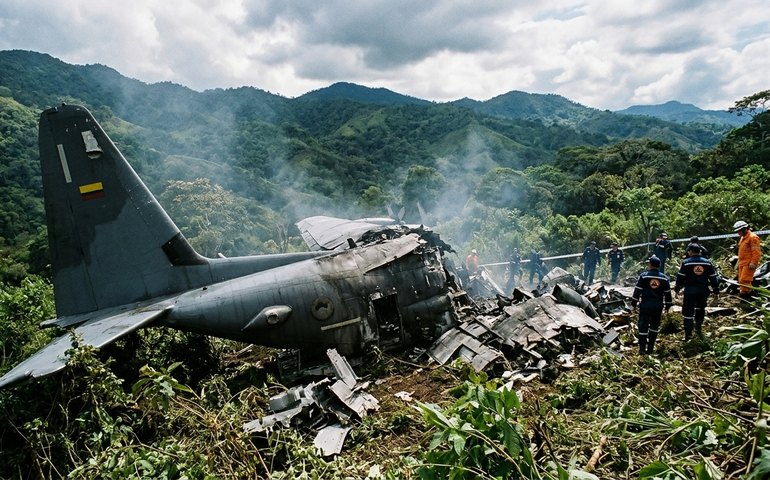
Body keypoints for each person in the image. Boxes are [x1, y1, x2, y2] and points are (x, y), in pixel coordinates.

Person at [674, 244, 719, 341]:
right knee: (700, 309)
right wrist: (716, 291)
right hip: (703, 291)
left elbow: (680, 277)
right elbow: (713, 278)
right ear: (700, 251)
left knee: (687, 312)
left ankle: (688, 335)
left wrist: (677, 289)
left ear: (690, 251)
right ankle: (698, 330)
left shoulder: (686, 262)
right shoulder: (707, 263)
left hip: (690, 291)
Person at [631, 255, 673, 354]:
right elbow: (668, 293)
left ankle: (642, 349)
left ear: (650, 264)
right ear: (659, 265)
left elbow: (637, 291)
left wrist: (633, 303)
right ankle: (650, 348)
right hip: (658, 305)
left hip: (645, 304)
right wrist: (668, 306)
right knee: (654, 326)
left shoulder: (644, 276)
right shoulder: (664, 278)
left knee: (643, 325)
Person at [734, 220, 762, 301]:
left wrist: (753, 263)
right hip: (742, 263)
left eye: (739, 231)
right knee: (741, 281)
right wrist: (738, 263)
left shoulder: (753, 237)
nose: (738, 233)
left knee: (745, 280)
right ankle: (744, 295)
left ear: (745, 229)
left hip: (749, 264)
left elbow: (756, 252)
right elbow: (741, 252)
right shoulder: (742, 238)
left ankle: (748, 297)